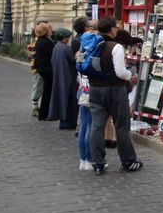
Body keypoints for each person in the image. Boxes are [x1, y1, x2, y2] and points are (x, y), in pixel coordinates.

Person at [88, 17, 143, 175]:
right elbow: (120, 71)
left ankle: (98, 162)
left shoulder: (92, 44)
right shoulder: (115, 46)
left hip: (95, 88)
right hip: (114, 90)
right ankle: (128, 161)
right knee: (121, 126)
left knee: (97, 126)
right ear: (112, 30)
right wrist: (129, 76)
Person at [76, 19, 98, 172]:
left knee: (83, 125)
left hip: (82, 89)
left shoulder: (81, 47)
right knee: (90, 125)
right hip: (92, 89)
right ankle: (90, 159)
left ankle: (82, 160)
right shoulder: (96, 46)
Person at [47, 28, 79, 130]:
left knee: (62, 98)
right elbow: (73, 60)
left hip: (59, 75)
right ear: (65, 38)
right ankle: (68, 123)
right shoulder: (66, 48)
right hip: (68, 77)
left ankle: (64, 122)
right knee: (70, 101)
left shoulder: (56, 47)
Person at [33, 22, 55, 121]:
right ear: (45, 31)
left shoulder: (40, 41)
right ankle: (44, 114)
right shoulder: (46, 42)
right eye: (49, 29)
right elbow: (53, 54)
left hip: (42, 68)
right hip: (47, 69)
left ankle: (44, 113)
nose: (51, 30)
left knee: (47, 90)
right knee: (48, 92)